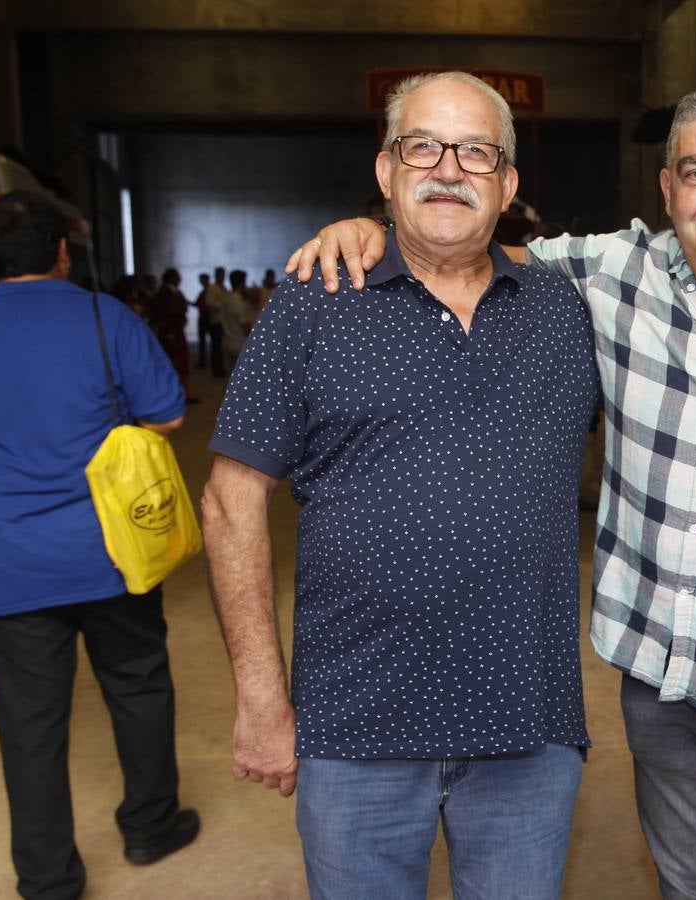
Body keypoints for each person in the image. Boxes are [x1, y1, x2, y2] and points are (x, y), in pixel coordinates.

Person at [293, 83, 696, 900]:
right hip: (668, 692)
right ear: (667, 190)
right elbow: (460, 243)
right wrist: (371, 230)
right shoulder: (613, 273)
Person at [202, 71, 602, 900]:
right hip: (355, 731)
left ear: (509, 183)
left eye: (476, 152)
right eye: (421, 146)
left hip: (528, 729)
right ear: (385, 172)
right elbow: (229, 503)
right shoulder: (315, 303)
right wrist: (262, 702)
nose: (447, 168)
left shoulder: (565, 311)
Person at [0, 191, 199, 900]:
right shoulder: (108, 320)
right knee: (137, 687)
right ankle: (151, 826)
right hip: (112, 553)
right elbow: (165, 418)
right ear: (64, 253)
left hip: (7, 561)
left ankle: (46, 878)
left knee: (28, 725)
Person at [153, 267, 195, 402]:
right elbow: (165, 314)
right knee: (176, 362)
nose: (180, 279)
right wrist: (170, 333)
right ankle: (178, 394)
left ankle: (182, 393)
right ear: (171, 278)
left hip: (175, 331)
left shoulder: (173, 292)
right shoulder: (166, 293)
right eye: (177, 276)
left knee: (181, 363)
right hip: (172, 332)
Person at [200, 266, 228, 377]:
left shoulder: (223, 288)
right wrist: (222, 304)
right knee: (216, 347)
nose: (222, 276)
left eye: (223, 274)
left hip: (222, 321)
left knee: (220, 347)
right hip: (215, 321)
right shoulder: (212, 288)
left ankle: (220, 367)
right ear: (216, 275)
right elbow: (209, 303)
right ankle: (216, 369)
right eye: (220, 274)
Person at [194, 271, 212, 368]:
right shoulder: (204, 292)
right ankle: (203, 362)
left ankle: (203, 362)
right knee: (203, 341)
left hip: (207, 317)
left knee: (204, 341)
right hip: (205, 317)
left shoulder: (208, 292)